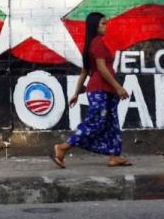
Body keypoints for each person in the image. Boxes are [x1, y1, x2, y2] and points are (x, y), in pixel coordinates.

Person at [52, 12, 131, 168]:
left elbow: (85, 71)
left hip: (105, 91)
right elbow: (101, 68)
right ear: (95, 25)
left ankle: (115, 156)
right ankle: (63, 147)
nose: (105, 26)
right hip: (100, 90)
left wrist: (76, 93)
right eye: (103, 23)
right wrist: (118, 87)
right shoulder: (97, 43)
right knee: (95, 122)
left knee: (112, 123)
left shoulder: (92, 44)